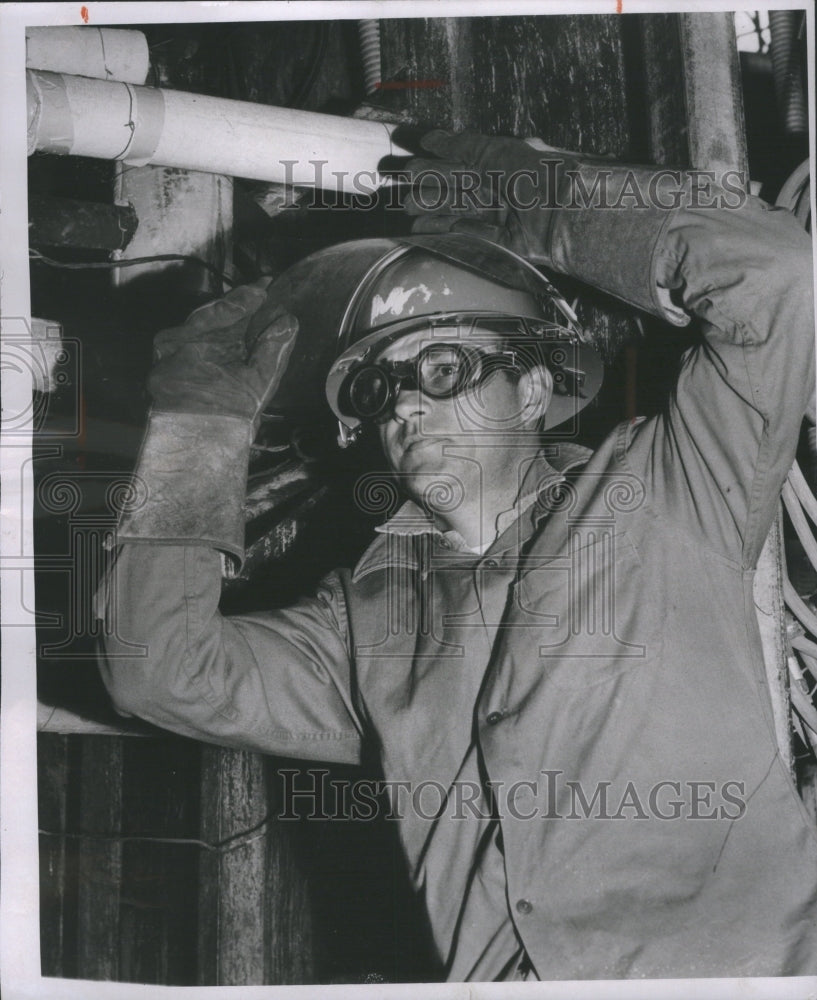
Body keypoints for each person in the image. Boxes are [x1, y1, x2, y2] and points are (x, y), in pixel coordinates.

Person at [97, 131, 817, 981]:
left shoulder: (669, 489)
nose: (405, 404)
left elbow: (774, 278)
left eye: (443, 367)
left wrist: (546, 204)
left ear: (536, 389)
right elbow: (159, 670)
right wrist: (196, 426)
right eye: (379, 387)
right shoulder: (360, 617)